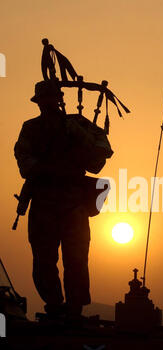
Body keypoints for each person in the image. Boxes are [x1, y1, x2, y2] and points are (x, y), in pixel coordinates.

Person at [14, 80, 113, 323]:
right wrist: (47, 168)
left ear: (58, 99)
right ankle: (55, 306)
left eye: (50, 99)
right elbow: (24, 161)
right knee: (44, 257)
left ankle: (74, 308)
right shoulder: (31, 128)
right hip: (43, 202)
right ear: (39, 103)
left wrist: (77, 134)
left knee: (77, 258)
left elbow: (100, 154)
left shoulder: (78, 124)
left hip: (73, 203)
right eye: (43, 101)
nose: (46, 105)